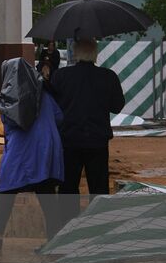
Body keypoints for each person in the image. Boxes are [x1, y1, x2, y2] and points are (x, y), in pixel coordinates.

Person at [0, 58, 67, 249]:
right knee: (46, 192)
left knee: (7, 189)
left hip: (21, 150)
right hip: (46, 149)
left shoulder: (8, 100)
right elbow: (59, 117)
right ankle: (54, 240)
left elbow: (9, 125)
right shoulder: (44, 95)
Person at [48, 38, 122, 197]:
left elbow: (51, 105)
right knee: (99, 187)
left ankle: (68, 220)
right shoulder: (108, 76)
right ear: (95, 54)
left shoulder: (61, 76)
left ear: (75, 54)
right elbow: (117, 106)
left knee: (68, 187)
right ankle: (96, 220)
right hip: (97, 140)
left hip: (69, 139)